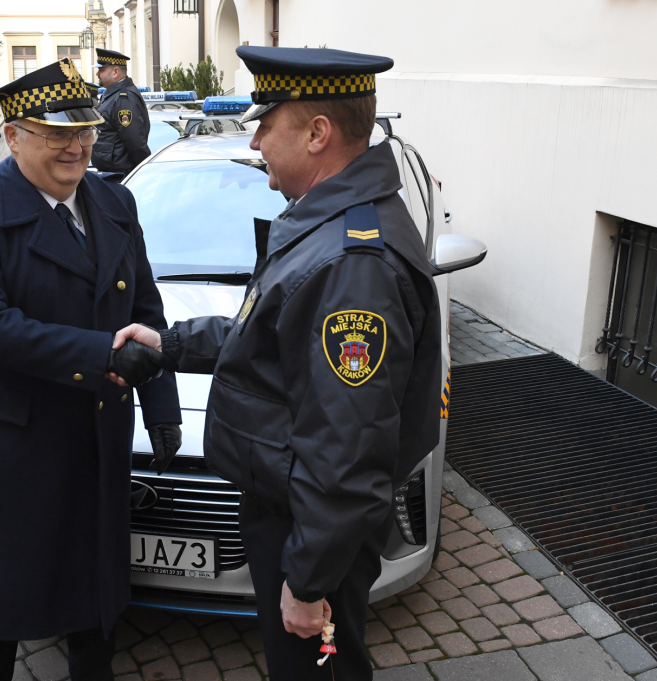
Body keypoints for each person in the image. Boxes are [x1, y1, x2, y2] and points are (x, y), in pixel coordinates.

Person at [112, 46, 443, 680]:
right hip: (293, 509)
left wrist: (309, 579)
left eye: (268, 122)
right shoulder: (327, 223)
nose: (256, 138)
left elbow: (349, 448)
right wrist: (172, 343)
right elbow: (273, 336)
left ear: (317, 133)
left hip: (304, 526)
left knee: (316, 672)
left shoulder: (352, 265)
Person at [0, 57, 182, 681]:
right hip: (14, 444)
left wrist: (161, 409)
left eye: (86, 131)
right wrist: (101, 353)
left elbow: (146, 309)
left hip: (96, 436)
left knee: (92, 601)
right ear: (12, 135)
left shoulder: (114, 201)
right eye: (57, 134)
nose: (77, 148)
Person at [91, 49, 150, 176]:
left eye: (101, 70)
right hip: (112, 172)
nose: (97, 74)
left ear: (115, 72)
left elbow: (134, 141)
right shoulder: (113, 94)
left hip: (121, 174)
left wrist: (143, 171)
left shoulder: (124, 98)